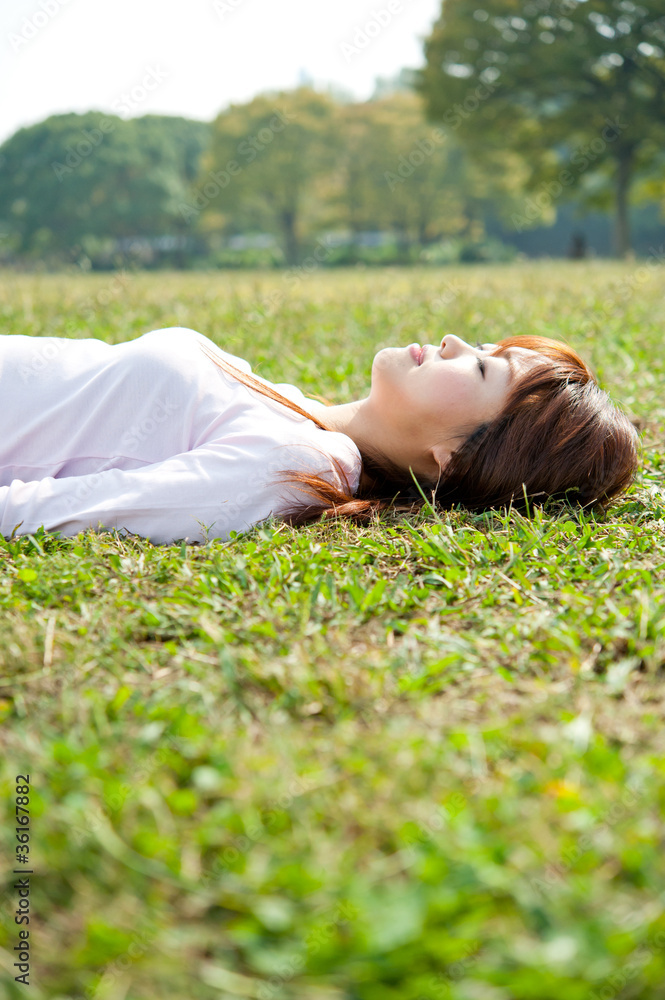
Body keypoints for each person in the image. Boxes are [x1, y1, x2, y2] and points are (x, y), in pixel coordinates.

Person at [0, 326, 638, 545]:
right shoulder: (300, 414)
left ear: (455, 458)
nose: (452, 340)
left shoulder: (299, 461)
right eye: (484, 345)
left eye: (479, 366)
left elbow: (58, 514)